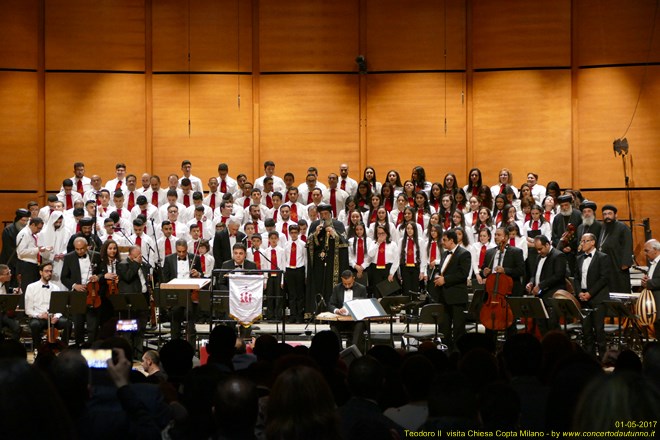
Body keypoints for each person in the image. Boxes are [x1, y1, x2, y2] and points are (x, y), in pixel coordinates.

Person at [479, 227, 526, 340]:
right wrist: (484, 272)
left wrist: (505, 270)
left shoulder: (516, 252)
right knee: (490, 326)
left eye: (498, 235)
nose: (496, 237)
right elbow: (483, 271)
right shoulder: (490, 252)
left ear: (506, 237)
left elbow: (521, 271)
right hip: (492, 295)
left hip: (508, 295)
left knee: (510, 326)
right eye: (495, 235)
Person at [429, 229, 471, 352]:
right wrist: (438, 276)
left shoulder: (464, 254)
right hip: (443, 297)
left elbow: (463, 274)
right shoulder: (444, 254)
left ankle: (459, 354)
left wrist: (445, 280)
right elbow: (442, 270)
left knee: (458, 329)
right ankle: (446, 353)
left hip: (457, 297)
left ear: (452, 240)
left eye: (445, 240)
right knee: (444, 328)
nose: (442, 242)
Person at [573, 233, 611, 358]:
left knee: (599, 329)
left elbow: (604, 278)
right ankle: (589, 358)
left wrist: (590, 293)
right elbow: (576, 278)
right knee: (586, 329)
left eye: (585, 241)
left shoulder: (603, 257)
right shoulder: (579, 258)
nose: (582, 243)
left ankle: (603, 358)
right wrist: (579, 292)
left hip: (597, 297)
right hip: (583, 297)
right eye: (581, 241)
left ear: (593, 242)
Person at [60, 237, 103, 346]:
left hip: (93, 293)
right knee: (78, 325)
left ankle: (92, 348)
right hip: (77, 295)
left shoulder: (96, 255)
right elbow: (64, 277)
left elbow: (103, 272)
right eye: (77, 249)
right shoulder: (69, 258)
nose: (80, 251)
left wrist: (97, 277)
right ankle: (80, 349)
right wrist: (75, 286)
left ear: (87, 246)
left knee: (92, 325)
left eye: (82, 249)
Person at [307, 204, 349, 311]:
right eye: (321, 214)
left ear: (330, 214)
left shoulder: (338, 224)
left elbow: (344, 243)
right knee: (319, 284)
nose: (324, 216)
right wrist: (315, 234)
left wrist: (334, 234)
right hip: (319, 262)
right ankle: (318, 310)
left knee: (332, 285)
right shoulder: (314, 225)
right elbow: (308, 244)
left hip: (334, 262)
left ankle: (333, 309)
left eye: (326, 214)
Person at [161, 239, 203, 343]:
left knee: (190, 323)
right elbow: (165, 279)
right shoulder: (168, 259)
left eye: (183, 251)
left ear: (187, 249)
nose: (181, 254)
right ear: (176, 249)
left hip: (190, 294)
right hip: (175, 294)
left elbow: (201, 276)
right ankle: (175, 347)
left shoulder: (195, 258)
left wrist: (198, 274)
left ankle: (191, 350)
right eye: (179, 251)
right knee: (175, 322)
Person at [526, 235, 566, 334]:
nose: (539, 252)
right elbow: (534, 274)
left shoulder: (558, 255)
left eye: (540, 249)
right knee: (541, 326)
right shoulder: (539, 256)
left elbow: (558, 276)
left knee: (553, 327)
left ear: (547, 245)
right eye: (537, 249)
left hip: (552, 297)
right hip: (540, 297)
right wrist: (531, 282)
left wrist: (540, 285)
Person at [116, 245, 151, 359]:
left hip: (143, 300)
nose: (139, 258)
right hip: (129, 302)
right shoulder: (122, 265)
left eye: (139, 256)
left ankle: (139, 355)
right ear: (130, 256)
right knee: (128, 331)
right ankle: (128, 356)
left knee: (141, 330)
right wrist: (136, 264)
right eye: (136, 257)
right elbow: (128, 277)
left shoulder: (144, 265)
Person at [25, 263, 71, 346]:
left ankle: (64, 348)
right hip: (39, 318)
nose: (49, 273)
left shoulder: (56, 288)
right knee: (34, 324)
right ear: (40, 272)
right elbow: (28, 310)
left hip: (53, 318)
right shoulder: (31, 287)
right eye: (46, 271)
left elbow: (60, 307)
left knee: (68, 323)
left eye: (50, 271)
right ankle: (38, 349)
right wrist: (40, 315)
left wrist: (56, 316)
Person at [328, 270, 368, 351]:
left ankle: (353, 350)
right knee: (333, 325)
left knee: (360, 324)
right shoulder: (337, 288)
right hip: (342, 320)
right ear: (342, 279)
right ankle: (339, 351)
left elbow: (365, 305)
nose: (347, 286)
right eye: (345, 283)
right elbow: (331, 304)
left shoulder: (362, 288)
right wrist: (337, 310)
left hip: (355, 320)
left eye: (349, 283)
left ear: (353, 279)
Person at [598, 204, 633, 293]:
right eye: (605, 214)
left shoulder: (622, 227)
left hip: (618, 266)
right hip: (606, 265)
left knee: (620, 289)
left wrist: (625, 263)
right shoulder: (603, 227)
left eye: (609, 214)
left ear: (615, 215)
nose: (607, 216)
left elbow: (628, 245)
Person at [551, 194, 582, 277]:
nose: (564, 208)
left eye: (566, 205)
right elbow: (554, 236)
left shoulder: (578, 215)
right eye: (562, 206)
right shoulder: (557, 218)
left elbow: (580, 234)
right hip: (561, 253)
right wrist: (562, 247)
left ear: (570, 204)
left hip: (574, 252)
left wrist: (571, 247)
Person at [641, 239, 660, 332]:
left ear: (655, 250)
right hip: (655, 305)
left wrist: (648, 283)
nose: (645, 253)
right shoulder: (652, 263)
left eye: (647, 251)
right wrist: (645, 281)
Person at [0, 264, 21, 340]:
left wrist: (13, 291)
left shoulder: (6, 284)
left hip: (4, 314)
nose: (10, 275)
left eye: (10, 272)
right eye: (8, 274)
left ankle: (11, 346)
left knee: (17, 328)